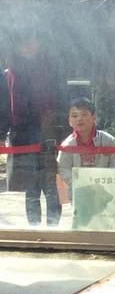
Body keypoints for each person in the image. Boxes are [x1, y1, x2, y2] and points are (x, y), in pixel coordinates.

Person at [5, 27, 66, 226]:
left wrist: (63, 129)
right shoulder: (10, 72)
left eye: (33, 41)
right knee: (30, 185)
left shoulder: (51, 67)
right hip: (22, 134)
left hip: (48, 131)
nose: (29, 46)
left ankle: (53, 226)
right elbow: (4, 105)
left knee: (50, 182)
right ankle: (34, 227)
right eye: (24, 42)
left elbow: (60, 100)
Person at [57, 97, 115, 201]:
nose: (79, 119)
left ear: (93, 118)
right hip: (79, 194)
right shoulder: (67, 145)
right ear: (69, 121)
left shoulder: (108, 140)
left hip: (105, 192)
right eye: (74, 116)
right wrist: (79, 183)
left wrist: (107, 180)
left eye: (84, 114)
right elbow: (63, 168)